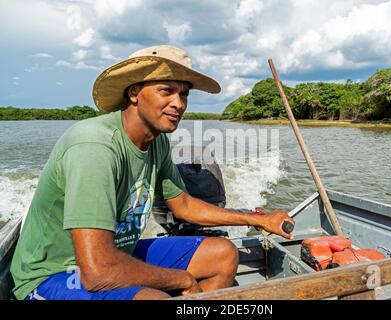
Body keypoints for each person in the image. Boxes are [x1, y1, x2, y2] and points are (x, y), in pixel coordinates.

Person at [10, 45, 294, 300]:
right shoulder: (94, 146)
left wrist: (256, 219)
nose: (179, 104)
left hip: (117, 253)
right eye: (166, 91)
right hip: (55, 273)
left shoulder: (156, 142)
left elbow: (182, 205)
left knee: (222, 254)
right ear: (134, 92)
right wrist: (181, 279)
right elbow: (96, 273)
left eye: (183, 94)